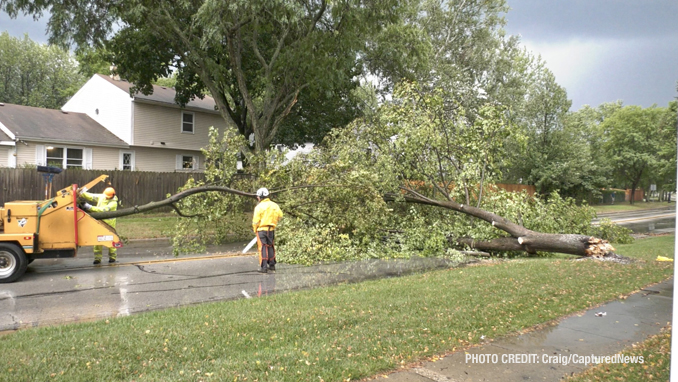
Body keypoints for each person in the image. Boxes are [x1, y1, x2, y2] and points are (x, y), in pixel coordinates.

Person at [80, 187, 119, 265]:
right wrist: (82, 192)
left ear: (112, 196)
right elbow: (91, 196)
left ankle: (112, 257)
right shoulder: (102, 196)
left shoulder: (113, 203)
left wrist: (89, 207)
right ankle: (97, 258)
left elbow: (102, 210)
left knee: (110, 240)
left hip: (109, 224)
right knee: (98, 240)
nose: (106, 198)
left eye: (108, 197)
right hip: (99, 222)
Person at [252, 187, 283, 273]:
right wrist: (274, 222)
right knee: (270, 246)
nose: (257, 198)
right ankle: (272, 265)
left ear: (260, 197)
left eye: (258, 196)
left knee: (262, 247)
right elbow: (280, 215)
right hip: (271, 229)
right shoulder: (274, 205)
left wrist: (255, 230)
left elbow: (255, 221)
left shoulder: (259, 207)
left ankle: (264, 267)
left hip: (261, 230)